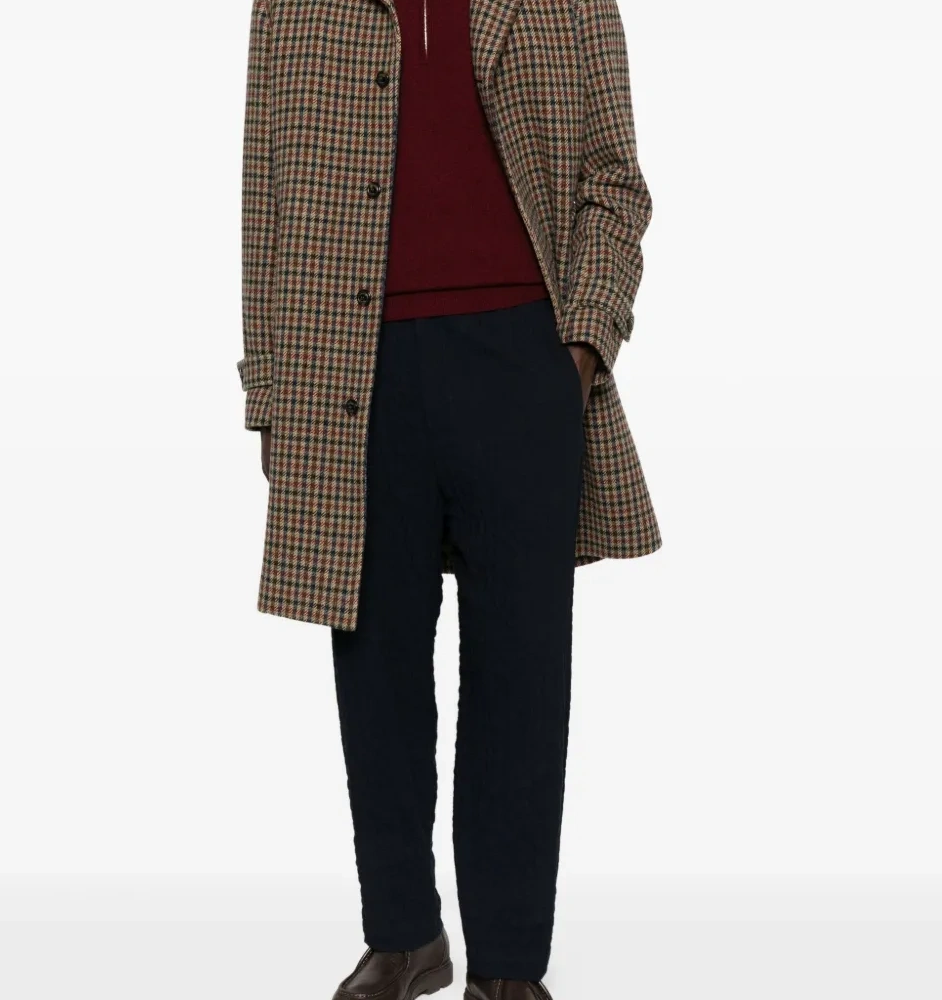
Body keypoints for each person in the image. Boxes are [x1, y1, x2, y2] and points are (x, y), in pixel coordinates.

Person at [235, 0, 661, 994]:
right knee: (374, 664)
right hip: (351, 367)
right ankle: (403, 936)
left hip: (522, 362)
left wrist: (582, 343)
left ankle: (508, 966)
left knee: (522, 672)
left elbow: (614, 179)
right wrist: (272, 391)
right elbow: (265, 196)